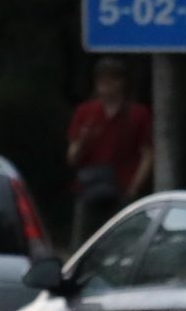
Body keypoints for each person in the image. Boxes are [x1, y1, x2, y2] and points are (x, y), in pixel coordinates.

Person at [66, 58, 153, 242]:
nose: (107, 86)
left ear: (122, 83)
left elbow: (147, 155)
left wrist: (133, 188)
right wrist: (83, 139)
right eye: (102, 80)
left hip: (122, 190)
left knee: (124, 243)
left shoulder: (137, 114)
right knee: (85, 244)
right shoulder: (85, 112)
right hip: (90, 190)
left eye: (113, 79)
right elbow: (72, 158)